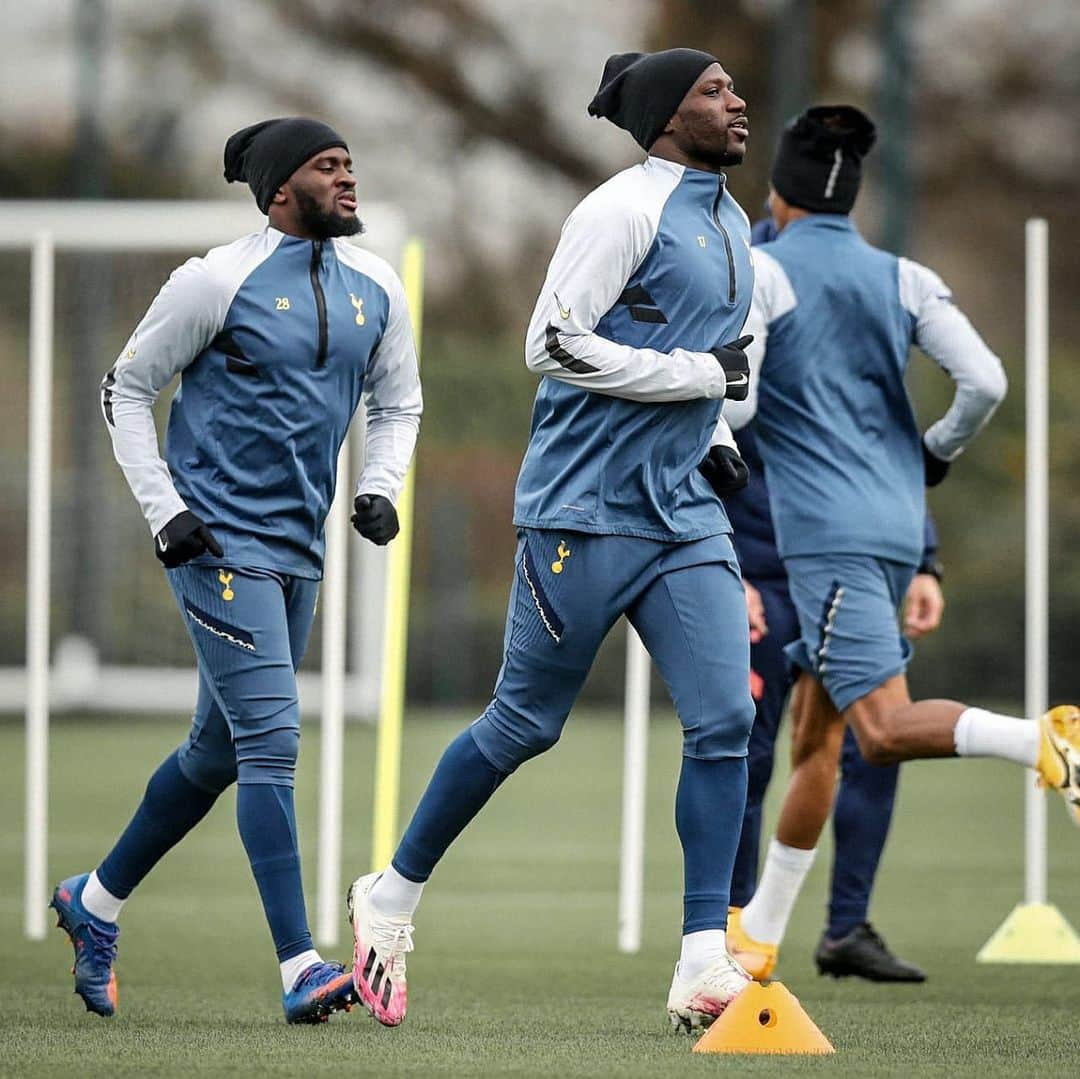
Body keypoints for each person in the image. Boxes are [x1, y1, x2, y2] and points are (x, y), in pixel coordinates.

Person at [345, 48, 757, 1033]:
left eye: (735, 88)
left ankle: (705, 957)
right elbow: (553, 343)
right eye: (712, 91)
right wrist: (701, 380)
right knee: (526, 723)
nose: (737, 102)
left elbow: (721, 359)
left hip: (682, 512)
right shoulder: (618, 210)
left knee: (727, 720)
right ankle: (390, 894)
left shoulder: (735, 220)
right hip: (581, 510)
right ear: (665, 116)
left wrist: (721, 432)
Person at [50, 117, 422, 1024]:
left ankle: (92, 903)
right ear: (279, 189)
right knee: (271, 741)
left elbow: (401, 399)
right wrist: (166, 510)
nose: (348, 178)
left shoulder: (376, 286)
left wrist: (376, 483)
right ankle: (300, 964)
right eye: (328, 166)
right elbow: (125, 390)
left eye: (350, 162)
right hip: (216, 545)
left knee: (216, 750)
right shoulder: (213, 279)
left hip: (301, 551)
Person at [719, 104, 1079, 976]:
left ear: (778, 191)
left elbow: (738, 404)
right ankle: (757, 938)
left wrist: (714, 442)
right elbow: (984, 380)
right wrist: (937, 452)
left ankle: (1045, 739)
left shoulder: (762, 272)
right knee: (820, 735)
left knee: (879, 730)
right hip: (894, 527)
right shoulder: (905, 276)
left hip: (827, 540)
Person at [728, 421, 943, 982]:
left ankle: (847, 928)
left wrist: (923, 561)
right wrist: (721, 568)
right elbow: (691, 454)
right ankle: (729, 935)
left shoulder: (858, 360)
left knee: (879, 746)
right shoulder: (737, 345)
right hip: (759, 583)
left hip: (844, 578)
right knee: (744, 756)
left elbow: (893, 458)